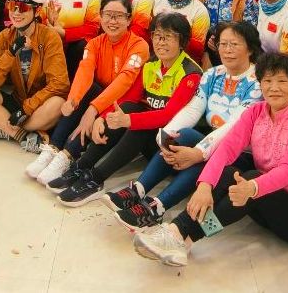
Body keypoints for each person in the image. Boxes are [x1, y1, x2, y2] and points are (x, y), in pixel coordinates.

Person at [133, 54, 288, 268]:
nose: (274, 88)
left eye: (282, 81)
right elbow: (228, 148)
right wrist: (205, 185)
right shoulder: (256, 111)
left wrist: (253, 187)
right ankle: (180, 236)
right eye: (267, 81)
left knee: (250, 178)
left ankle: (184, 236)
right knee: (229, 172)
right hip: (262, 202)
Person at [105, 22, 263, 231]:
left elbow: (234, 127)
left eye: (234, 44)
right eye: (223, 44)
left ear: (250, 48)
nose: (227, 50)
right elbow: (193, 109)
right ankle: (139, 190)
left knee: (202, 156)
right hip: (213, 140)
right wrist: (166, 136)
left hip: (241, 151)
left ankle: (158, 207)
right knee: (181, 134)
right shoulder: (213, 74)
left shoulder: (258, 82)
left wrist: (199, 152)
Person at [50, 13, 203, 206]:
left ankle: (96, 179)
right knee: (129, 107)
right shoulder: (151, 64)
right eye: (157, 35)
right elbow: (129, 98)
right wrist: (102, 118)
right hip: (148, 135)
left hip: (171, 144)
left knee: (139, 123)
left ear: (182, 41)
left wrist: (128, 121)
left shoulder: (191, 73)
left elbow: (167, 116)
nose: (161, 42)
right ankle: (81, 166)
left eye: (168, 37)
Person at [26, 0, 149, 185]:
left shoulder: (139, 45)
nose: (112, 21)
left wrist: (94, 110)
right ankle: (53, 149)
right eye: (108, 15)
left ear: (128, 19)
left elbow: (124, 82)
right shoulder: (94, 43)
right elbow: (84, 71)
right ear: (100, 16)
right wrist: (73, 100)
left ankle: (66, 156)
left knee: (96, 103)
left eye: (119, 16)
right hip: (102, 96)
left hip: (126, 102)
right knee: (84, 92)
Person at [0, 0, 70, 152]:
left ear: (37, 10)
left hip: (39, 104)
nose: (16, 12)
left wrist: (26, 108)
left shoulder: (50, 37)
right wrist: (10, 53)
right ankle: (21, 135)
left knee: (57, 104)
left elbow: (60, 84)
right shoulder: (4, 36)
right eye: (12, 6)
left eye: (23, 7)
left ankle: (3, 127)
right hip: (16, 100)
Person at [153, 0, 209, 64]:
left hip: (184, 62)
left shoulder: (199, 11)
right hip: (155, 57)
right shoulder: (155, 1)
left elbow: (196, 49)